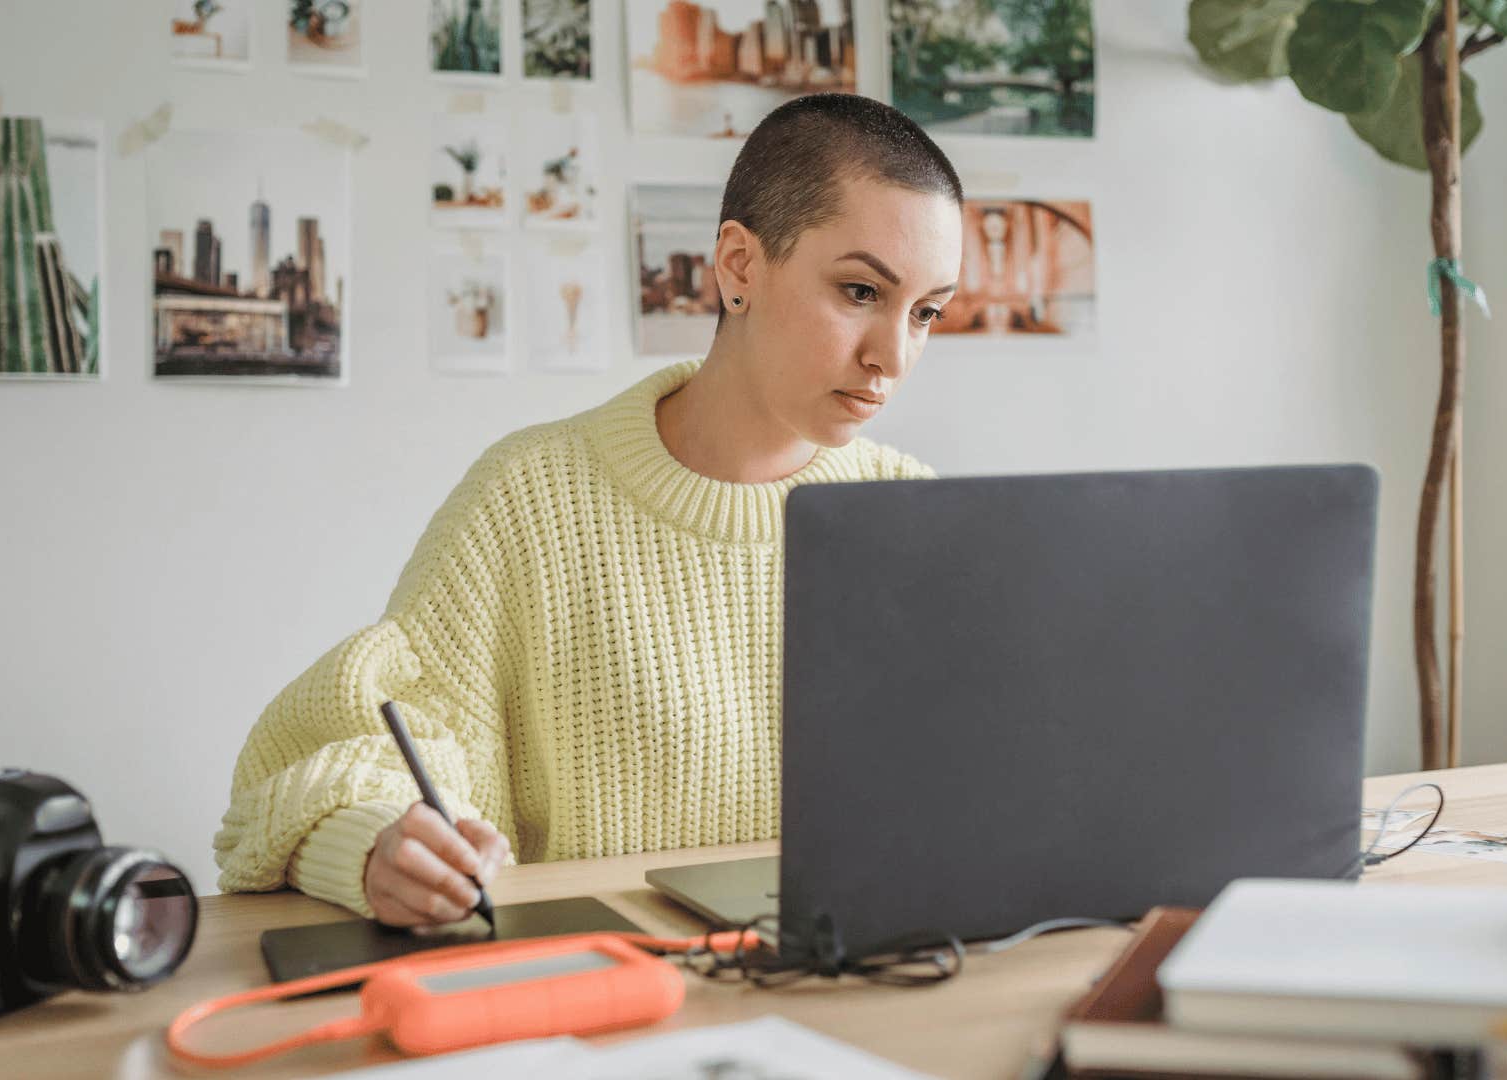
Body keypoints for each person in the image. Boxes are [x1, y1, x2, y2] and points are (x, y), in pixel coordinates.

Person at [214, 93, 966, 926]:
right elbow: (318, 764)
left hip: (864, 984)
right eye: (860, 291)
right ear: (739, 266)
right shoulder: (531, 499)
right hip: (610, 990)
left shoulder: (912, 515)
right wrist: (375, 844)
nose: (893, 356)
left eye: (926, 312)